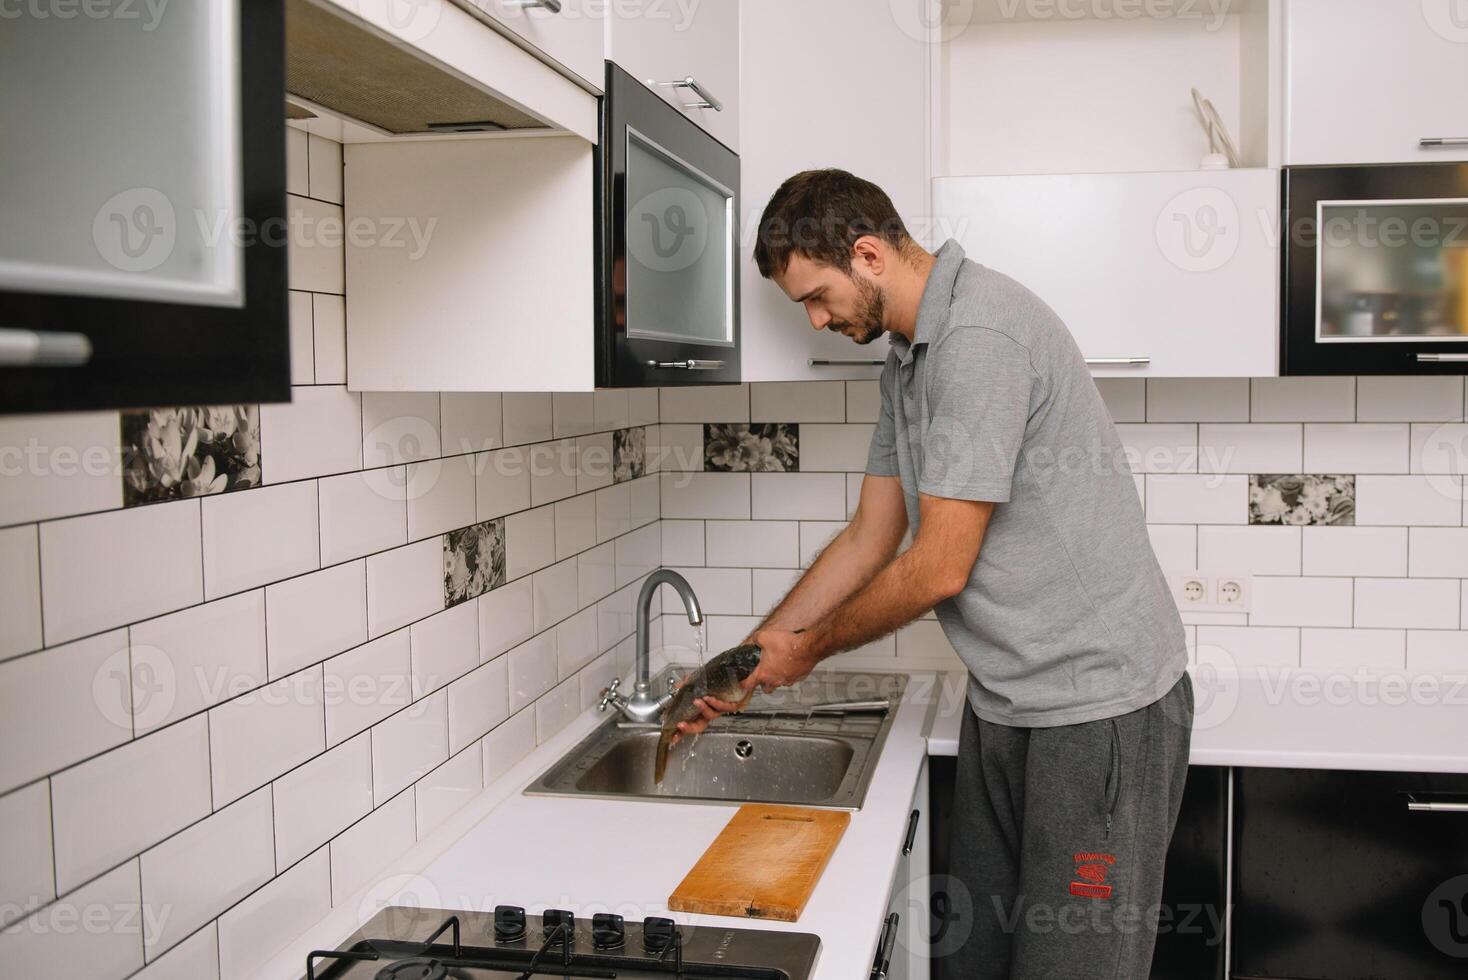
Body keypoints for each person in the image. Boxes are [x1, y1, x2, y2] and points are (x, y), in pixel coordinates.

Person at [670, 169, 1194, 978]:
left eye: (816, 296)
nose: (814, 319)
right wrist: (752, 656)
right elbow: (869, 537)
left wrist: (808, 651)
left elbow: (940, 567)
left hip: (1098, 710)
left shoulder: (981, 340)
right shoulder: (910, 359)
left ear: (869, 254)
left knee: (1075, 968)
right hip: (1009, 699)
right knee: (978, 960)